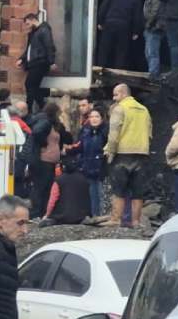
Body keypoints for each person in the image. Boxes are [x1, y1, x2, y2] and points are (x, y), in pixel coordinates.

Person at [102, 84, 152, 228]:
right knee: (138, 191)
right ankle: (135, 221)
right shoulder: (144, 110)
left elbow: (113, 134)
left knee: (118, 189)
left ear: (124, 94)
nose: (113, 98)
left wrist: (110, 152)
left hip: (122, 153)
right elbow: (149, 133)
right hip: (141, 153)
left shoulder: (120, 109)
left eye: (115, 95)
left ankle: (116, 219)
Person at [28, 103, 71, 219]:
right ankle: (36, 213)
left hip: (51, 161)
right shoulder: (45, 122)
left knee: (48, 188)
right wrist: (44, 143)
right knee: (40, 187)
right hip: (43, 160)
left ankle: (43, 212)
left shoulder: (54, 124)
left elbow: (67, 138)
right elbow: (37, 133)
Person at [96, 0, 144, 70]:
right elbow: (137, 17)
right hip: (124, 26)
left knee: (104, 49)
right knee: (121, 51)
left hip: (109, 23)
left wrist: (100, 22)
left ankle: (100, 72)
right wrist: (136, 32)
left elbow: (103, 8)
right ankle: (118, 75)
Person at [16, 12, 55, 114]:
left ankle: (29, 109)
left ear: (33, 20)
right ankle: (44, 108)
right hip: (34, 63)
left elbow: (49, 46)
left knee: (29, 84)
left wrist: (51, 62)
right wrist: (22, 59)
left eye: (28, 23)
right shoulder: (33, 33)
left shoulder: (44, 30)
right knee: (33, 87)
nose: (27, 26)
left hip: (40, 63)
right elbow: (29, 50)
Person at [74, 108, 108, 217]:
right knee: (91, 192)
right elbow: (80, 146)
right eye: (91, 117)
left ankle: (104, 215)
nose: (94, 119)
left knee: (102, 192)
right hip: (88, 165)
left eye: (97, 116)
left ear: (102, 118)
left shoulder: (106, 131)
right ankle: (94, 215)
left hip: (102, 166)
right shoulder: (85, 131)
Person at [42, 160, 90, 226]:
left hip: (62, 216)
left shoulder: (58, 180)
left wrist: (47, 214)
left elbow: (52, 200)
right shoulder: (83, 179)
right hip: (81, 216)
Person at [141, 0, 164, 78]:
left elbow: (155, 11)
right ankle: (152, 72)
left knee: (152, 52)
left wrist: (148, 24)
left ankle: (153, 74)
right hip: (151, 28)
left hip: (154, 28)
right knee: (148, 52)